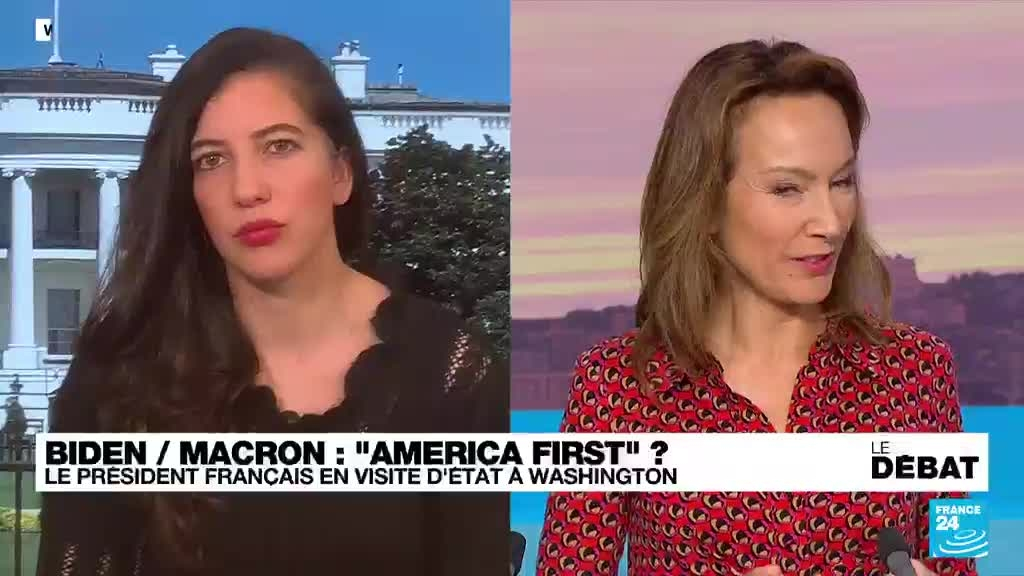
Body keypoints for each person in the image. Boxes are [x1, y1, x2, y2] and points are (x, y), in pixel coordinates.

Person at [36, 28, 508, 576]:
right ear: (188, 195)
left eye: (278, 146)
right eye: (212, 160)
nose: (247, 189)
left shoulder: (450, 371)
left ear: (340, 172)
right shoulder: (116, 377)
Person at [536, 40, 976, 576]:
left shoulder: (920, 370)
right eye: (787, 189)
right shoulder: (616, 385)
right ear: (704, 203)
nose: (830, 222)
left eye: (841, 182)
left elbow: (962, 557)